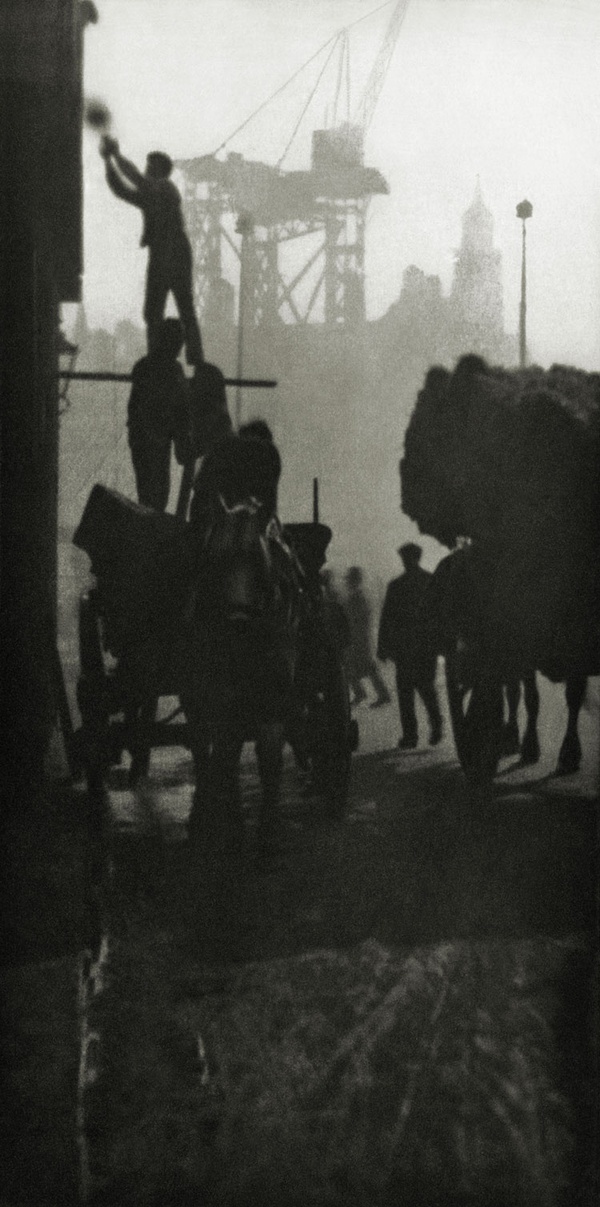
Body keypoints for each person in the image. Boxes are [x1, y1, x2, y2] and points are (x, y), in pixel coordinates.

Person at [100, 136, 204, 365]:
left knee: (173, 308)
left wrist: (114, 156)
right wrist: (109, 161)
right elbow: (122, 189)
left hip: (170, 251)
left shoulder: (165, 188)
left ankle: (167, 356)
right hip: (168, 252)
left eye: (150, 167)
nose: (146, 170)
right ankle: (182, 357)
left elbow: (133, 181)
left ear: (160, 170)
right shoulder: (155, 193)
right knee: (162, 310)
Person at [377, 543, 442, 748]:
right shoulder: (430, 580)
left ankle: (412, 735)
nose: (405, 562)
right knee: (424, 689)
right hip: (423, 647)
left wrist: (383, 646)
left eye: (406, 558)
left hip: (407, 647)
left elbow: (387, 619)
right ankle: (433, 726)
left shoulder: (397, 585)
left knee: (409, 693)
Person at [127, 317, 191, 511]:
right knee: (158, 493)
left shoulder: (144, 367)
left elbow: (137, 408)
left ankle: (149, 525)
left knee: (149, 494)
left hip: (146, 439)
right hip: (158, 439)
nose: (181, 346)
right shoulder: (174, 370)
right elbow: (180, 406)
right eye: (179, 340)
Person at [343, 566, 391, 708]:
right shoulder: (359, 596)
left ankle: (377, 694)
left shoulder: (357, 598)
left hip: (359, 638)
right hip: (360, 637)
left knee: (362, 667)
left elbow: (356, 619)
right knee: (362, 667)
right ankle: (368, 693)